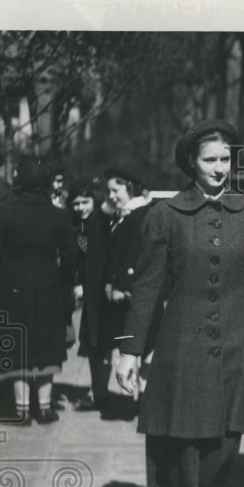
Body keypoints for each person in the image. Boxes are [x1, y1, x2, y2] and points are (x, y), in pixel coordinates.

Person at [116, 119, 244, 487]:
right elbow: (147, 288)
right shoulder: (166, 215)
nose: (219, 167)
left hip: (233, 348)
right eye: (210, 159)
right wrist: (129, 350)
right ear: (192, 162)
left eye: (225, 159)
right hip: (180, 348)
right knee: (182, 444)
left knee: (225, 445)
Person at [0, 155, 75, 424]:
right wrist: (67, 296)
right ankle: (43, 408)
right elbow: (70, 258)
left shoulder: (5, 215)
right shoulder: (59, 216)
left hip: (13, 289)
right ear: (46, 184)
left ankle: (21, 409)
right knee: (46, 347)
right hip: (49, 288)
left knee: (19, 349)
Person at [104, 166, 152, 417]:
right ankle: (133, 398)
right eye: (109, 190)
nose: (111, 195)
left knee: (143, 348)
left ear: (129, 188)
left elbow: (139, 255)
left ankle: (143, 401)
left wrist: (124, 285)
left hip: (136, 294)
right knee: (127, 347)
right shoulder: (121, 215)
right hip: (122, 297)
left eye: (116, 189)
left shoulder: (141, 213)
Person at [68, 178, 114, 412]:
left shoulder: (103, 222)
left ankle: (103, 393)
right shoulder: (76, 224)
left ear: (93, 201)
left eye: (85, 202)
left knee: (104, 344)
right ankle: (99, 392)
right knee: (94, 345)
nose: (81, 208)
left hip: (105, 292)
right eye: (76, 203)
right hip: (90, 295)